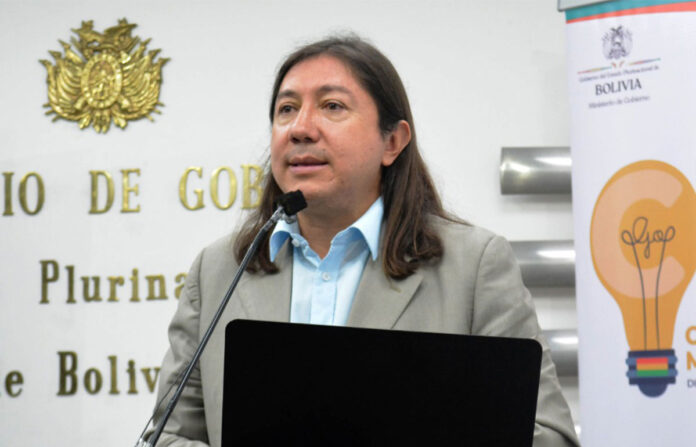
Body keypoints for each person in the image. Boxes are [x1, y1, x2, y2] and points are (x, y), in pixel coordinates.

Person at [149, 35, 580, 447]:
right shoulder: (219, 270)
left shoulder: (472, 267)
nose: (300, 128)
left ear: (392, 141)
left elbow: (549, 436)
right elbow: (166, 435)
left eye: (332, 106)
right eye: (287, 109)